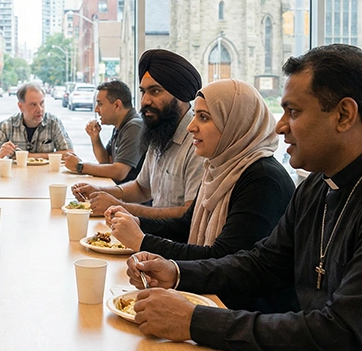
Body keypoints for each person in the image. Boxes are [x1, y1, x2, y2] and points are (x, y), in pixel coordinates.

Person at [127, 44, 362, 349]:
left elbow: (343, 334)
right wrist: (176, 273)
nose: (280, 125)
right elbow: (264, 263)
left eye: (293, 111)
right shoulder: (321, 182)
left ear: (344, 114)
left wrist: (194, 321)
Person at [104, 79, 295, 313]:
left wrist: (143, 242)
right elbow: (186, 225)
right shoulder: (218, 166)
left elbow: (223, 256)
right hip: (215, 302)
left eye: (204, 117)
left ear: (234, 123)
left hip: (244, 316)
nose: (191, 126)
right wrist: (138, 224)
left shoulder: (263, 179)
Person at [71, 49, 204, 219]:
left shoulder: (198, 142)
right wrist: (99, 192)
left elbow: (189, 214)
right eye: (143, 92)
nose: (145, 101)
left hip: (173, 243)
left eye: (155, 91)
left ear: (179, 95)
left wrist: (120, 207)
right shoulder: (160, 132)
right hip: (152, 236)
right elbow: (142, 188)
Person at [63, 80, 144, 183]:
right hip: (117, 191)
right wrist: (95, 138)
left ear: (117, 105)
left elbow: (119, 172)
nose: (96, 110)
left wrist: (79, 166)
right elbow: (105, 161)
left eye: (100, 104)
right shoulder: (120, 126)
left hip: (129, 197)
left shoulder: (135, 127)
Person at [0, 83, 73, 162]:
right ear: (20, 106)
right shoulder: (7, 125)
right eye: (33, 105)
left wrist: (30, 156)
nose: (40, 109)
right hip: (15, 178)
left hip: (46, 176)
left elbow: (69, 154)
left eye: (41, 103)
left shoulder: (53, 123)